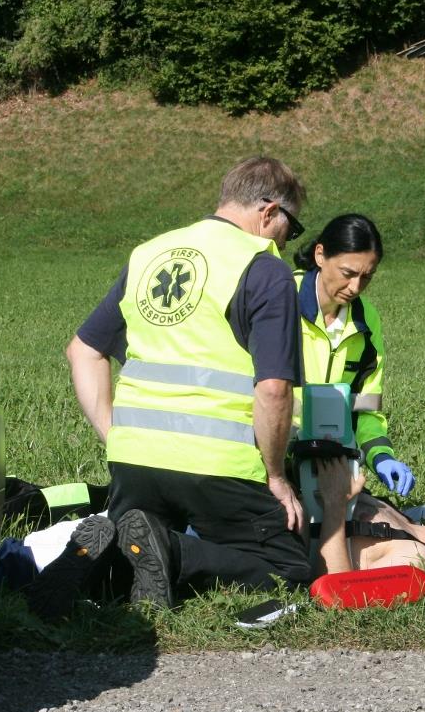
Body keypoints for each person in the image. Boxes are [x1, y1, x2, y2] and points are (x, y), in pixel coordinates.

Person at [64, 156, 313, 607]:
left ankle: (101, 567)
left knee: (137, 546)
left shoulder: (149, 253)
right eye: (291, 230)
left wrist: (115, 433)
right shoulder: (263, 267)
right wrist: (276, 477)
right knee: (290, 572)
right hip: (218, 464)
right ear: (269, 212)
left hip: (134, 459)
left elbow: (83, 350)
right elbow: (273, 388)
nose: (285, 240)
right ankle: (174, 551)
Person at [292, 214, 414, 496]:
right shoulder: (280, 297)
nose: (356, 287)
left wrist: (381, 456)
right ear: (320, 255)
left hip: (329, 464)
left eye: (367, 277)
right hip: (267, 460)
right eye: (348, 273)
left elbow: (365, 406)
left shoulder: (367, 320)